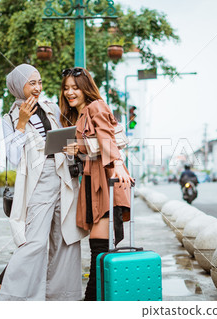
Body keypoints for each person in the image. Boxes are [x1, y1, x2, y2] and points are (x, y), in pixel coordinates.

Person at [0, 64, 88, 301]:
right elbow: (13, 157)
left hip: (64, 178)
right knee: (33, 242)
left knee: (66, 239)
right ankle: (9, 297)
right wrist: (22, 123)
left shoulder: (52, 107)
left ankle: (62, 298)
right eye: (31, 83)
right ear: (18, 86)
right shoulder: (10, 118)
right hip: (38, 182)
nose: (38, 88)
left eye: (40, 82)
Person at [60, 67, 134, 301]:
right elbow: (93, 146)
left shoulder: (96, 106)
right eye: (66, 88)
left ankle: (91, 302)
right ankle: (95, 300)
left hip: (106, 182)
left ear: (86, 88)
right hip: (93, 184)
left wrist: (119, 164)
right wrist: (77, 148)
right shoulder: (79, 115)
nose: (69, 92)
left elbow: (106, 136)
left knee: (99, 250)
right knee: (98, 251)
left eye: (75, 87)